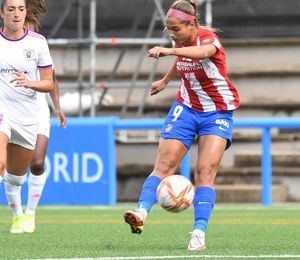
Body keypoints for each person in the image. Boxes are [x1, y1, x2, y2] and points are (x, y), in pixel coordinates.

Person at [123, 0, 240, 251]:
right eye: (169, 30)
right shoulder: (180, 42)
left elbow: (199, 54)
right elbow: (182, 59)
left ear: (192, 24)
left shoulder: (209, 41)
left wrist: (168, 50)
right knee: (164, 165)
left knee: (205, 172)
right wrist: (166, 81)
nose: (172, 35)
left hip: (216, 111)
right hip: (185, 108)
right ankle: (141, 213)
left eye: (176, 29)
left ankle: (198, 233)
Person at [6, 0, 66, 234]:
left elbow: (52, 81)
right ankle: (17, 215)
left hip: (38, 110)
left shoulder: (37, 43)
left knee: (38, 162)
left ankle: (30, 213)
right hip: (11, 110)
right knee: (14, 174)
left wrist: (57, 108)